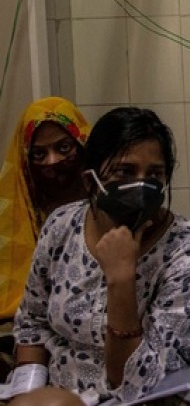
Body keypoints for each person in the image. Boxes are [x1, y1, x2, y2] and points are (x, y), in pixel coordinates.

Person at [10, 107, 190, 404]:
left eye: (155, 174)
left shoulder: (185, 249)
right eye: (125, 171)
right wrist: (28, 393)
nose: (141, 184)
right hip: (64, 383)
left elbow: (134, 383)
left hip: (156, 386)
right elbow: (33, 323)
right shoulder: (60, 227)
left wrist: (121, 277)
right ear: (89, 181)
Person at [0, 97, 90, 380]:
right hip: (22, 334)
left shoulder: (107, 205)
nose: (53, 162)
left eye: (63, 148)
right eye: (39, 154)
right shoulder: (15, 214)